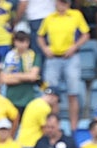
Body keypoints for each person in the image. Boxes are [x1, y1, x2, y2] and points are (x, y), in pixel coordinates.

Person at [37, 0, 88, 128]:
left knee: (73, 93)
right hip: (53, 57)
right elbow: (40, 36)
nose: (62, 5)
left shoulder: (76, 15)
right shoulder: (49, 18)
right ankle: (54, 126)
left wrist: (75, 47)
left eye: (64, 3)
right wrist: (45, 48)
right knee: (51, 94)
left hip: (71, 57)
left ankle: (73, 127)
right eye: (60, 2)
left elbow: (85, 34)